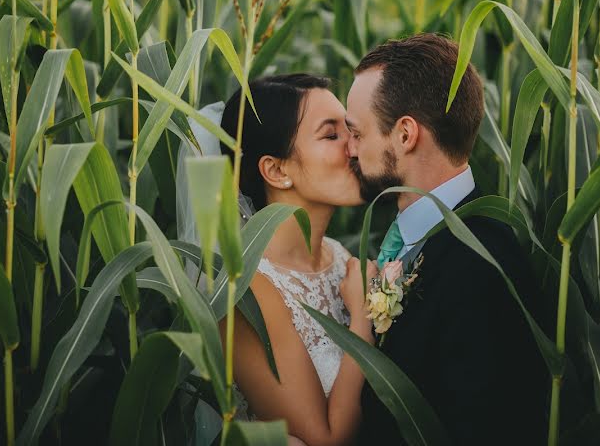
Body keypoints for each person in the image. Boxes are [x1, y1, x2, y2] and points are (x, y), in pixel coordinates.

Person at [346, 33, 548, 444]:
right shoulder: (419, 234)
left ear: (405, 135)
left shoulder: (480, 265)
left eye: (357, 133)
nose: (349, 149)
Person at [219, 74, 378, 446]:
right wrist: (363, 318)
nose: (353, 148)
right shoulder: (246, 292)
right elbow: (325, 440)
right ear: (277, 171)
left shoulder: (341, 259)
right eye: (331, 135)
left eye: (350, 130)